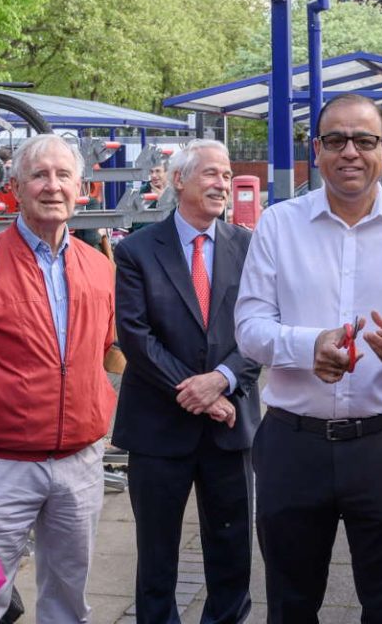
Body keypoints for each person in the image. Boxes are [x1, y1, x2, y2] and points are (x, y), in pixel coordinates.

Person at [235, 93, 382, 623]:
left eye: (363, 140)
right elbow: (248, 328)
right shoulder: (278, 225)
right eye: (335, 140)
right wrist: (308, 345)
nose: (349, 152)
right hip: (294, 443)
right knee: (290, 605)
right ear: (317, 149)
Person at [0, 134, 118, 624]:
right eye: (39, 176)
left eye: (63, 175)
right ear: (16, 189)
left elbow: (107, 353)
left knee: (69, 598)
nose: (52, 186)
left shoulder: (99, 267)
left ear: (81, 188)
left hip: (81, 462)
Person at [113, 139, 261, 624]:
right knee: (156, 557)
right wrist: (196, 392)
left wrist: (219, 382)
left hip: (230, 425)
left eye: (226, 174)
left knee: (232, 552)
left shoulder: (248, 246)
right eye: (211, 174)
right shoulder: (136, 250)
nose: (222, 183)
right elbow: (136, 337)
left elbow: (262, 331)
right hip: (157, 429)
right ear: (179, 181)